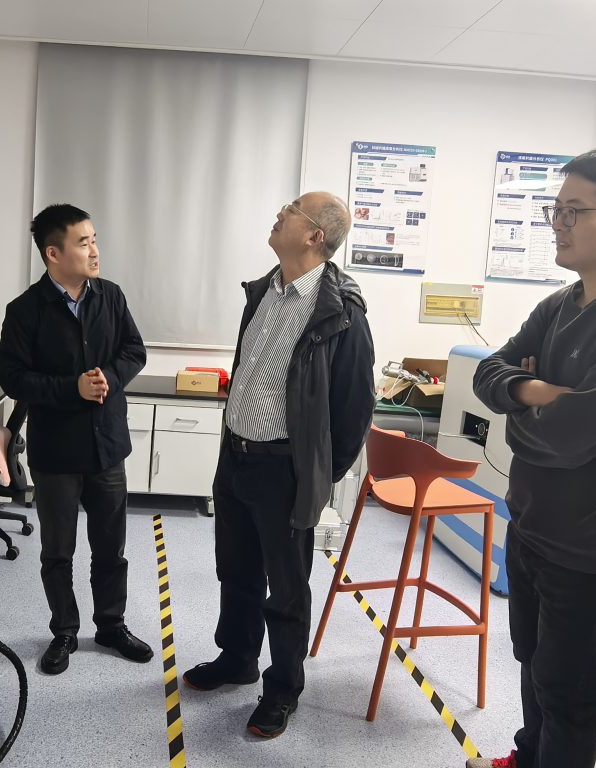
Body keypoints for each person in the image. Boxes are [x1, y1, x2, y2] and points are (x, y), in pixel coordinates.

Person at [471, 148, 596, 768]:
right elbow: (487, 373)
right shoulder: (559, 306)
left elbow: (571, 437)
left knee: (569, 691)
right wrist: (535, 391)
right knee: (533, 661)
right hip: (533, 524)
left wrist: (519, 417)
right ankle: (528, 756)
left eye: (574, 211)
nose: (558, 223)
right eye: (555, 210)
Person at [182, 192, 375, 737]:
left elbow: (354, 408)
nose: (280, 213)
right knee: (235, 570)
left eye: (292, 209)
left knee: (287, 589)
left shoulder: (342, 312)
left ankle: (284, 688)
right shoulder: (263, 291)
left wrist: (314, 474)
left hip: (285, 470)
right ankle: (237, 658)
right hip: (237, 457)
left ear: (315, 235)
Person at [0, 203, 152, 675]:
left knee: (110, 549)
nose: (95, 250)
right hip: (56, 453)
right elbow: (12, 378)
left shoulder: (111, 296)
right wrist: (73, 389)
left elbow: (134, 350)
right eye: (84, 243)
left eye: (94, 240)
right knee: (57, 552)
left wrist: (108, 378)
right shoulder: (25, 311)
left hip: (107, 448)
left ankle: (111, 625)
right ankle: (64, 631)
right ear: (53, 253)